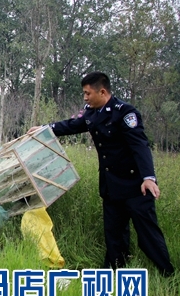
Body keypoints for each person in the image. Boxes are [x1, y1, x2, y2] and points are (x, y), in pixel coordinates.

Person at [28, 71, 174, 277]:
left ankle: (167, 273)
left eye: (88, 93)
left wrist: (149, 178)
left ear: (102, 91)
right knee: (114, 234)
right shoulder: (91, 113)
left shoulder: (124, 113)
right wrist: (44, 129)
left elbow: (140, 146)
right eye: (84, 94)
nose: (85, 98)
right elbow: (71, 125)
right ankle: (113, 272)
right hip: (111, 185)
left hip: (135, 186)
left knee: (147, 234)